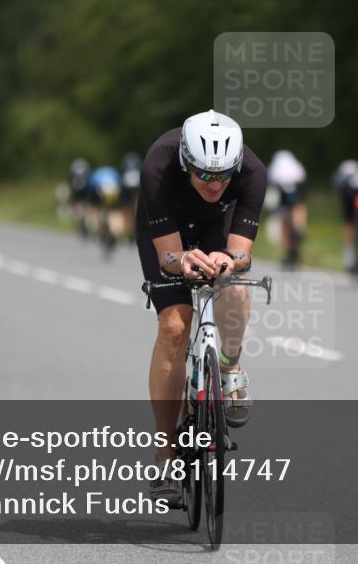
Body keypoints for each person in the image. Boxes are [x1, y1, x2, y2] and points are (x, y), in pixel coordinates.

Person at [136, 110, 267, 504]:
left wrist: (229, 261)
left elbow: (241, 253)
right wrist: (184, 260)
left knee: (235, 288)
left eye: (224, 175)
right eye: (206, 175)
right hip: (167, 228)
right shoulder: (158, 163)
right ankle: (164, 457)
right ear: (186, 163)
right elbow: (168, 257)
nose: (216, 184)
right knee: (175, 327)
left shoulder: (253, 174)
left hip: (218, 228)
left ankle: (229, 366)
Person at [267, 150, 307, 268]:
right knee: (297, 221)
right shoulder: (297, 167)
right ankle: (298, 233)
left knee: (284, 225)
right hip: (298, 194)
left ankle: (288, 251)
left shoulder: (275, 168)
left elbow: (272, 191)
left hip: (283, 198)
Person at [87, 164, 123, 246]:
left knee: (98, 211)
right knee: (114, 212)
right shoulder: (113, 173)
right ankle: (114, 231)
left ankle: (101, 231)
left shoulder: (95, 175)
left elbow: (90, 191)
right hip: (114, 190)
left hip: (100, 190)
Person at [119, 152, 142, 238]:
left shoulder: (125, 164)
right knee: (137, 206)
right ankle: (136, 227)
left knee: (127, 209)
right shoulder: (137, 163)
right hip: (137, 182)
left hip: (127, 184)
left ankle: (129, 229)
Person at [68, 158, 92, 238]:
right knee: (83, 207)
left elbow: (73, 190)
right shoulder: (85, 175)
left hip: (79, 194)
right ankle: (83, 223)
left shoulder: (74, 177)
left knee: (78, 207)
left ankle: (82, 223)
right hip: (84, 195)